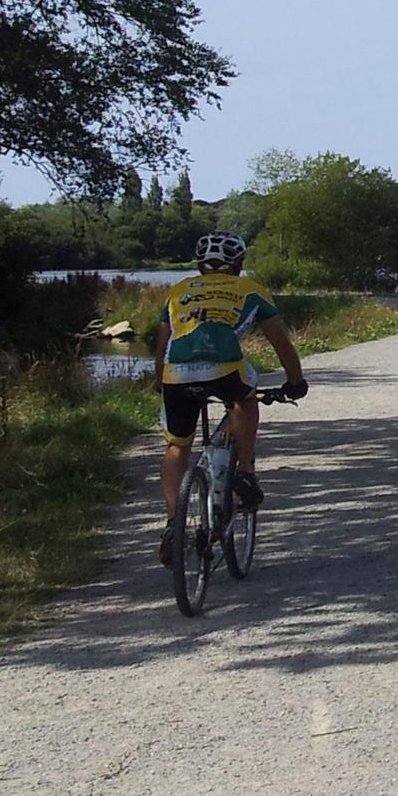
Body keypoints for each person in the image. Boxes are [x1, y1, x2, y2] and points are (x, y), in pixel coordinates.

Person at [153, 230, 306, 566]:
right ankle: (246, 473)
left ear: (199, 264)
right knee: (245, 398)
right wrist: (295, 381)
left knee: (177, 445)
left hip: (176, 374)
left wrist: (158, 381)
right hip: (225, 369)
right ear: (239, 263)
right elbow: (281, 342)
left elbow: (163, 345)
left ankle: (172, 524)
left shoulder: (177, 291)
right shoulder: (250, 289)